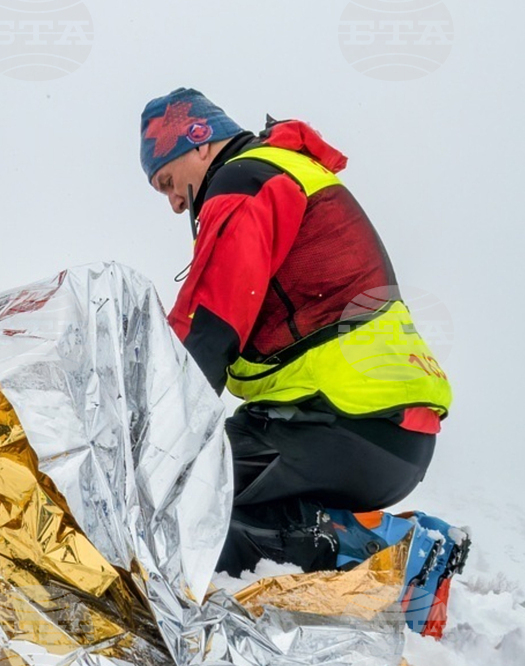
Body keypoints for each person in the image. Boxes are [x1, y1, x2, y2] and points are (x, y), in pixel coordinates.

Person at [139, 88, 453, 576]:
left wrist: (151, 440)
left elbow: (209, 327)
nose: (175, 203)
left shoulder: (244, 182)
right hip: (384, 430)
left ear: (198, 140)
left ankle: (389, 559)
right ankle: (365, 581)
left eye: (166, 182)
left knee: (186, 490)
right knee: (215, 493)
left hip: (350, 419)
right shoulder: (284, 172)